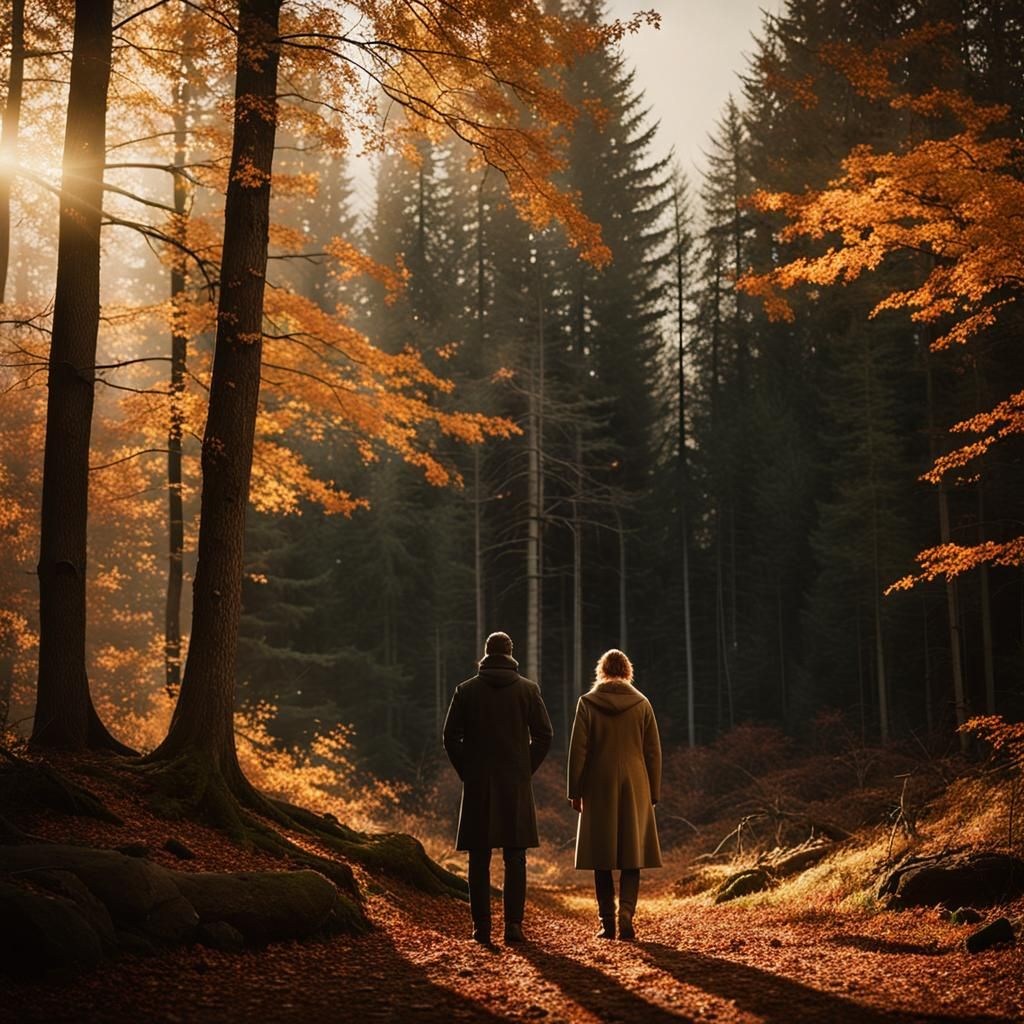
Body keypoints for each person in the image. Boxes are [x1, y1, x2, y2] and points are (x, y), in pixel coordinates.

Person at [443, 631, 553, 945]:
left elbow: (450, 737)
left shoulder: (466, 691)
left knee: (478, 859)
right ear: (511, 653)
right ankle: (514, 927)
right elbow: (545, 736)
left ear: (487, 653)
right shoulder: (528, 691)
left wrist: (469, 771)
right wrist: (524, 768)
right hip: (514, 784)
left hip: (479, 784)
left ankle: (481, 928)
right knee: (515, 858)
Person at [567, 648, 662, 941]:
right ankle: (627, 914)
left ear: (602, 671)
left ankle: (607, 921)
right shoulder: (642, 704)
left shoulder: (587, 703)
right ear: (627, 671)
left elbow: (578, 751)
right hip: (635, 784)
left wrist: (575, 790)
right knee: (633, 855)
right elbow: (653, 753)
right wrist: (653, 792)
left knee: (602, 855)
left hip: (598, 783)